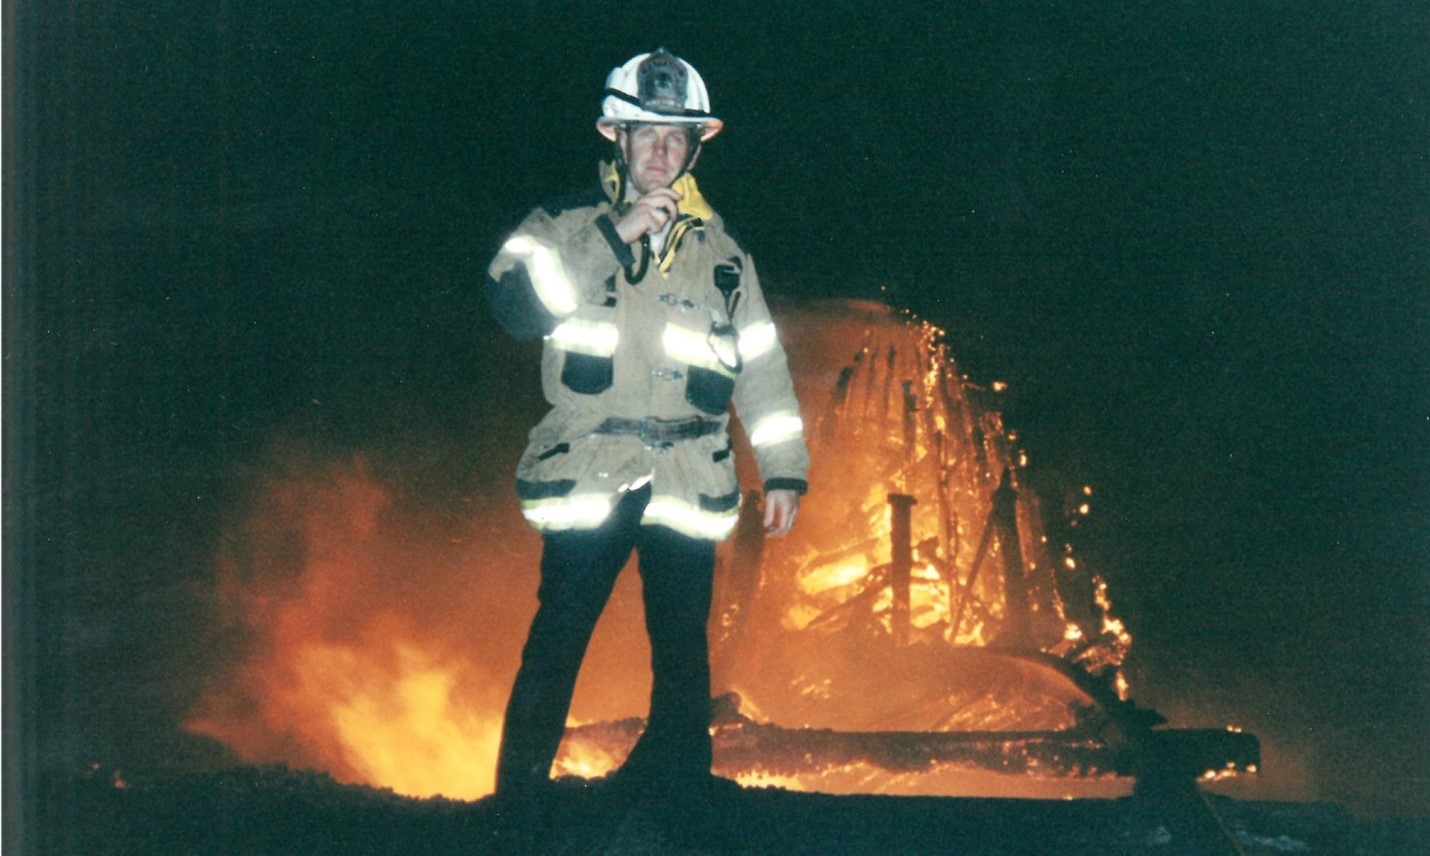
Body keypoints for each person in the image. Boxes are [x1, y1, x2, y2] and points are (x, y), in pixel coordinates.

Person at [484, 47, 809, 811]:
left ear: (695, 147)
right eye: (646, 134)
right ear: (616, 137)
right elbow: (514, 305)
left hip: (690, 476)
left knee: (683, 656)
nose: (661, 152)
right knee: (558, 641)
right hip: (591, 470)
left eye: (677, 138)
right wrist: (615, 234)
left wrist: (784, 468)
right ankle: (517, 807)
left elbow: (761, 365)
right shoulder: (563, 224)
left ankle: (678, 798)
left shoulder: (724, 253)